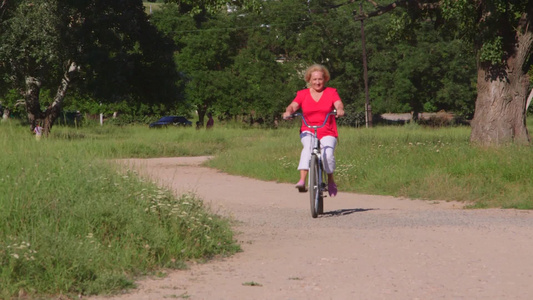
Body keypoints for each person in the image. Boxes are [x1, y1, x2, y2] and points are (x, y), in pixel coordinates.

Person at [282, 64, 345, 197]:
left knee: (327, 154)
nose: (317, 82)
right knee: (308, 147)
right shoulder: (302, 94)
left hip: (327, 129)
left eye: (320, 79)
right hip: (308, 129)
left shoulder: (331, 92)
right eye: (314, 79)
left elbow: (338, 103)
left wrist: (339, 109)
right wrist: (288, 112)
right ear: (309, 80)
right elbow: (293, 105)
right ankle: (302, 180)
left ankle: (330, 180)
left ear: (325, 79)